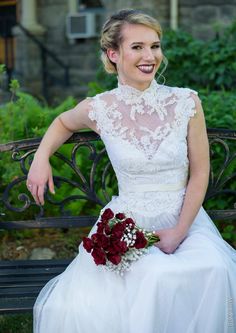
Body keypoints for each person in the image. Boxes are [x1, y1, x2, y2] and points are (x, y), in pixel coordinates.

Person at [27, 9, 236, 333]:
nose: (149, 56)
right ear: (114, 53)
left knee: (213, 269)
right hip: (128, 223)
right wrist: (41, 158)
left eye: (154, 46)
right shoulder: (100, 108)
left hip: (186, 220)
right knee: (154, 277)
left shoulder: (186, 103)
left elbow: (200, 173)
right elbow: (62, 122)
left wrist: (179, 231)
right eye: (137, 47)